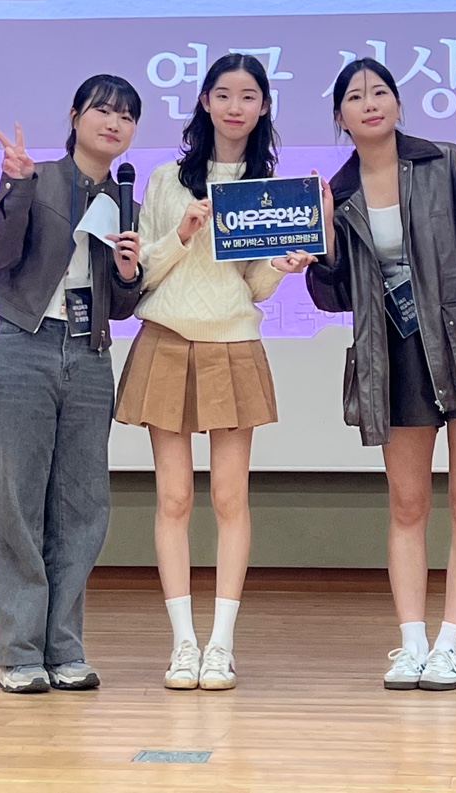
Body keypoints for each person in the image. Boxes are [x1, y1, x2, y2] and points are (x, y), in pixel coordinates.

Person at [306, 58, 456, 692]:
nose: (370, 103)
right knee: (407, 506)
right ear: (340, 116)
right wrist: (324, 239)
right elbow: (331, 295)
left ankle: (450, 645)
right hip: (396, 356)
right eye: (355, 96)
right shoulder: (336, 193)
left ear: (399, 105)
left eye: (380, 92)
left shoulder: (445, 161)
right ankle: (410, 644)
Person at [115, 53, 314, 692]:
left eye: (248, 96)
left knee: (230, 499)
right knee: (173, 499)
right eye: (223, 94)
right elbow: (140, 272)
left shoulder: (266, 189)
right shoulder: (165, 179)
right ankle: (183, 644)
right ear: (204, 101)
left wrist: (281, 266)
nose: (235, 106)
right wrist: (181, 232)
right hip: (167, 339)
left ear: (263, 107)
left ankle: (221, 645)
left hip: (233, 343)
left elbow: (250, 287)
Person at [0, 74, 145, 694]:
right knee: (18, 503)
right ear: (74, 116)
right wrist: (15, 186)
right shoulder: (37, 177)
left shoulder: (126, 201)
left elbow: (120, 306)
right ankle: (19, 653)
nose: (114, 123)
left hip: (89, 356)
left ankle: (64, 648)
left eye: (127, 116)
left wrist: (128, 273)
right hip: (23, 347)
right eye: (102, 110)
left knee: (81, 507)